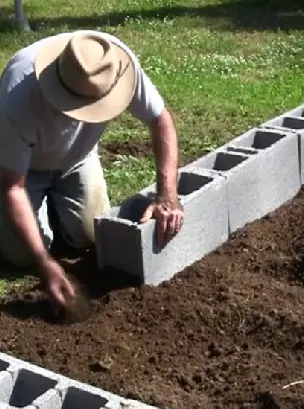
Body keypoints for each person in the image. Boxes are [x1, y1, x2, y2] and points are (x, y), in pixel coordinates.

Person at [0, 30, 184, 309]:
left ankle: (55, 212)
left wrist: (167, 194)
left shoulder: (112, 63)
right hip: (25, 169)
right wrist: (44, 262)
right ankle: (42, 217)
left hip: (78, 158)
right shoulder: (16, 96)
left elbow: (161, 120)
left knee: (90, 235)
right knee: (21, 257)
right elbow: (12, 187)